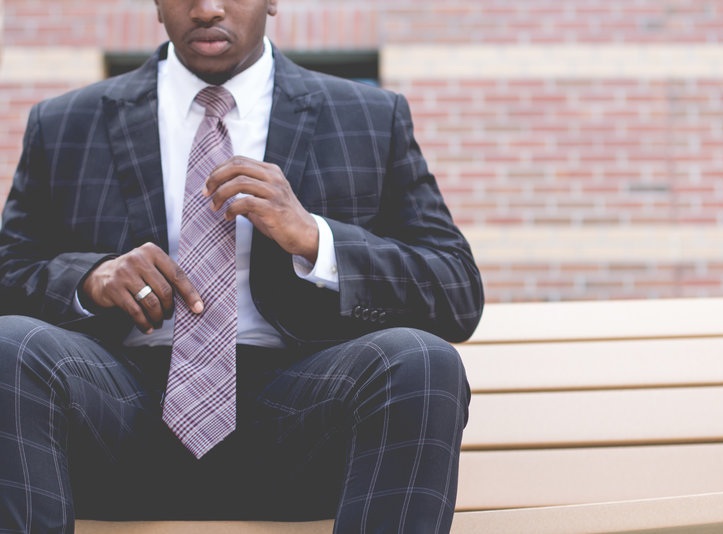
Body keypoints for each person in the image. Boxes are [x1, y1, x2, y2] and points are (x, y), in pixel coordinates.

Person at [0, 0, 483, 532]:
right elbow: (9, 274)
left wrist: (315, 240)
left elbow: (456, 291)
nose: (207, 9)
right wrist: (89, 280)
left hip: (301, 421)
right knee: (11, 344)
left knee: (420, 359)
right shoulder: (65, 123)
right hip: (113, 417)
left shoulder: (368, 116)